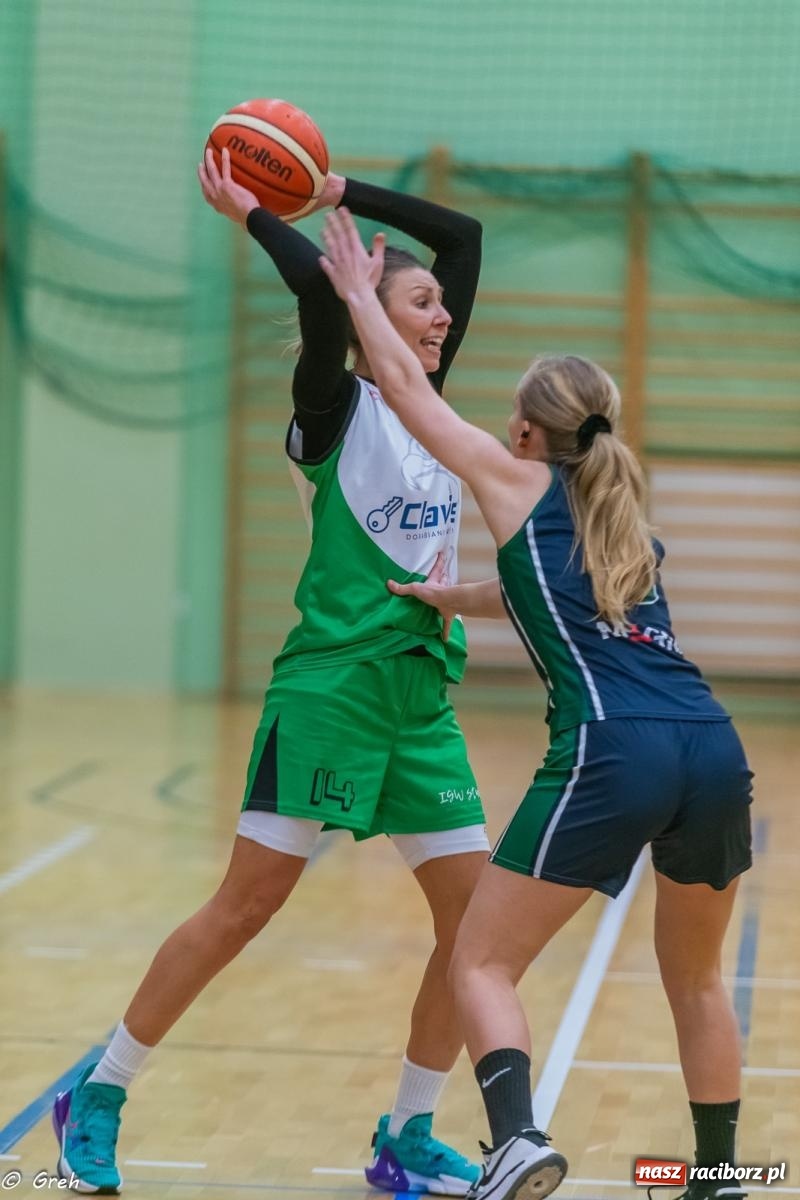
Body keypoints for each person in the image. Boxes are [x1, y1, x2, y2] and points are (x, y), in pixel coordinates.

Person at [51, 150, 490, 1197]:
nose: (440, 317)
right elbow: (313, 293)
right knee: (245, 907)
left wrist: (338, 191)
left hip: (419, 696)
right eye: (418, 303)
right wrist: (257, 210)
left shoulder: (431, 403)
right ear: (364, 317)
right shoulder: (337, 409)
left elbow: (464, 238)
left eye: (438, 307)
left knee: (471, 928)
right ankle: (100, 1090)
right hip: (331, 689)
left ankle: (405, 1136)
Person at [317, 208, 754, 1200]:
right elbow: (541, 595)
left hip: (613, 749)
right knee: (693, 977)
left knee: (478, 959)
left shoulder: (510, 476)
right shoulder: (621, 522)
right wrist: (449, 596)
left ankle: (513, 1140)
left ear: (524, 430)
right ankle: (718, 1175)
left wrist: (355, 293)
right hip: (712, 750)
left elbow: (398, 386)